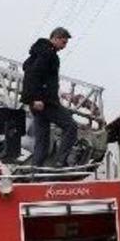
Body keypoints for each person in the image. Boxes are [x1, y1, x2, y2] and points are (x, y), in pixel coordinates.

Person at [20, 26, 78, 167]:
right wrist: (36, 99)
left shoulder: (38, 53)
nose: (64, 46)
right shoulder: (48, 53)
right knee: (71, 126)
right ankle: (60, 161)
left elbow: (33, 74)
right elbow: (34, 76)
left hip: (39, 104)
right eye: (63, 42)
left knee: (42, 142)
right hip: (45, 103)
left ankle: (35, 173)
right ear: (56, 38)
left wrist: (33, 100)